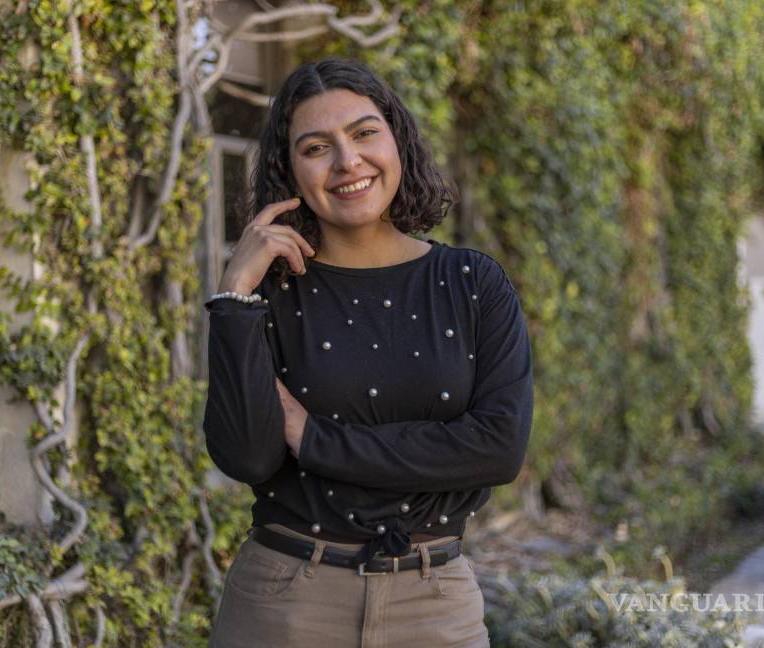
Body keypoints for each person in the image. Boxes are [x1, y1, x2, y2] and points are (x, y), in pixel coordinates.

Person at [202, 57, 534, 647]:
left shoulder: (473, 283)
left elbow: (498, 449)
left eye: (363, 133)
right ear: (290, 171)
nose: (347, 161)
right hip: (285, 604)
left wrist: (313, 438)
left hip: (435, 607)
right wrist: (234, 298)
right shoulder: (270, 296)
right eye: (315, 147)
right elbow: (249, 459)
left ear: (397, 140)